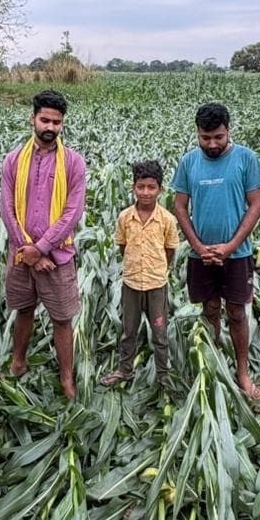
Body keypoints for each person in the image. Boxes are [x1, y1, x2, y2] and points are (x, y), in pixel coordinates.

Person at [171, 102, 260, 401]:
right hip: (200, 256)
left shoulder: (246, 159)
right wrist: (198, 247)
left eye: (218, 137)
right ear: (197, 134)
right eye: (205, 138)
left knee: (237, 312)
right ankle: (214, 357)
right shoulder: (189, 162)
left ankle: (242, 371)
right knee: (210, 308)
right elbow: (179, 205)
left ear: (229, 131)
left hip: (236, 255)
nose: (212, 144)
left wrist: (230, 247)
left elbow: (256, 205)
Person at [0, 89, 87, 398]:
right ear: (33, 118)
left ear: (63, 124)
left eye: (57, 122)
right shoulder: (13, 161)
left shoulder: (73, 163)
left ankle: (66, 378)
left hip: (58, 258)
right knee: (23, 311)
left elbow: (72, 213)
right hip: (22, 256)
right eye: (45, 120)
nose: (50, 127)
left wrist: (43, 248)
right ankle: (18, 363)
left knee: (62, 319)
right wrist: (30, 251)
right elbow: (7, 208)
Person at [101, 160, 180, 388]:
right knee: (128, 331)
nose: (146, 192)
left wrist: (158, 269)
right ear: (133, 187)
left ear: (160, 190)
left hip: (156, 284)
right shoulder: (125, 217)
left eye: (151, 187)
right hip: (132, 284)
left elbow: (170, 249)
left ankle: (164, 374)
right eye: (141, 187)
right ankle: (125, 370)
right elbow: (123, 246)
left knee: (160, 332)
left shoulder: (166, 219)